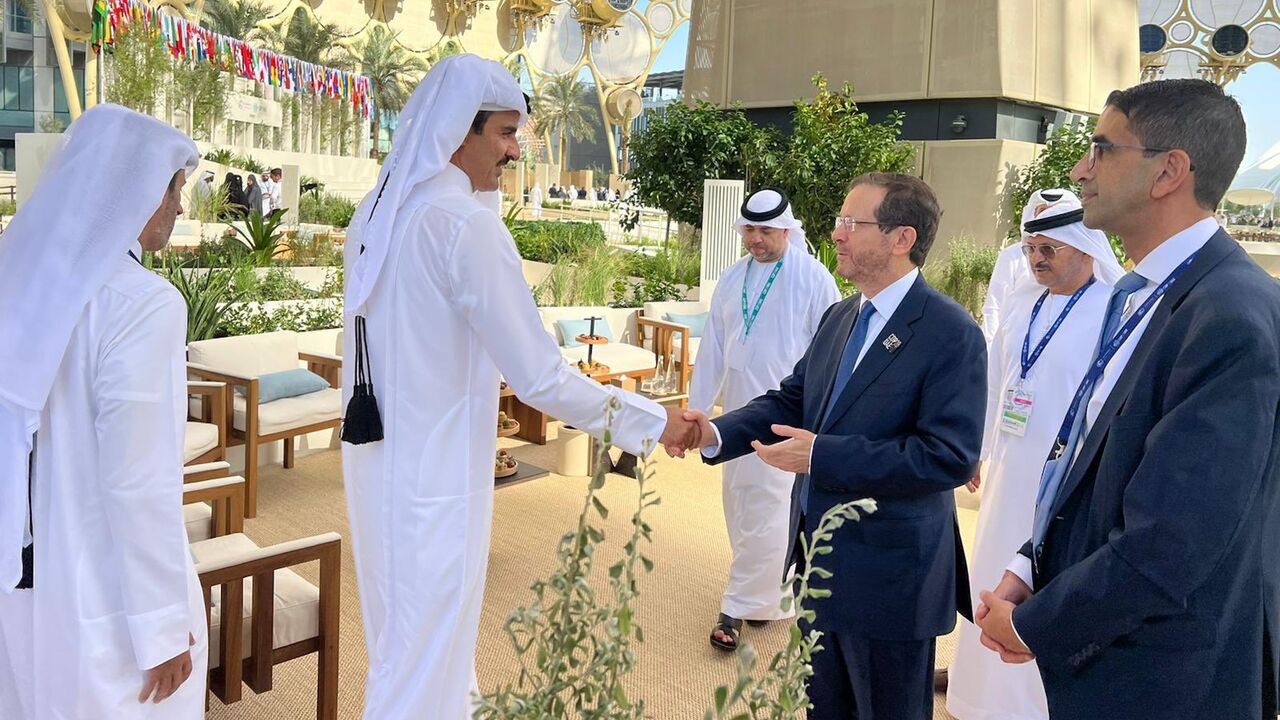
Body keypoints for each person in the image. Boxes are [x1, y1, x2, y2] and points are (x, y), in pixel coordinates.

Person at [340, 54, 696, 720]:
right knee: (423, 653)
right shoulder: (465, 227)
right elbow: (539, 378)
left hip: (378, 468)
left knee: (407, 639)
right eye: (505, 132)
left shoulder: (378, 214)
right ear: (457, 131)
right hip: (436, 475)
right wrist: (656, 422)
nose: (516, 149)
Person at [975, 79, 1280, 720]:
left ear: (1169, 171)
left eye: (1102, 150)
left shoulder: (1228, 313)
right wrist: (1031, 564)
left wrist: (1036, 625)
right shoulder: (1144, 292)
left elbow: (1171, 540)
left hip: (1165, 676)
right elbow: (1095, 463)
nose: (1081, 170)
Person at [677, 173, 986, 719]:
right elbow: (793, 400)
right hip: (820, 567)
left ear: (901, 238)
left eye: (851, 222)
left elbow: (947, 456)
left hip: (891, 579)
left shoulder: (951, 333)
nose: (836, 234)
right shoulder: (842, 316)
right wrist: (717, 430)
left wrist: (820, 455)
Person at [0, 104, 207, 719]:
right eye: (175, 190)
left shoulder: (19, 286)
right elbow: (138, 482)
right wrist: (163, 627)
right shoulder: (142, 303)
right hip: (105, 601)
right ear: (139, 190)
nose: (179, 208)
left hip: (23, 584)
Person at [946, 191, 1122, 720]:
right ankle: (977, 693)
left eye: (1051, 248)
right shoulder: (1024, 301)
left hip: (1066, 483)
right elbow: (996, 382)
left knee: (1039, 585)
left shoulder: (1114, 309)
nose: (1037, 258)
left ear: (1085, 247)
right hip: (1008, 472)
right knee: (989, 575)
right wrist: (977, 450)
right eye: (1031, 248)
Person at [689, 188, 839, 651]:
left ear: (787, 229)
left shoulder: (814, 279)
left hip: (786, 414)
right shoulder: (732, 279)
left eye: (766, 230)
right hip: (737, 411)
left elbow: (831, 350)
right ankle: (768, 599)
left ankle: (734, 608)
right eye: (749, 229)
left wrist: (824, 419)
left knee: (772, 508)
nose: (756, 239)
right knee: (739, 502)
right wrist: (697, 413)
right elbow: (713, 347)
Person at [980, 189, 1074, 343]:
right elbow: (995, 306)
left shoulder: (1080, 257)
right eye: (1041, 213)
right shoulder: (1013, 255)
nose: (1046, 220)